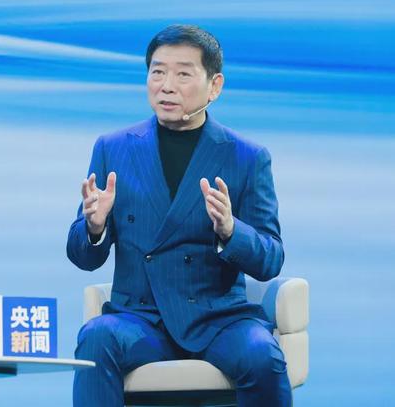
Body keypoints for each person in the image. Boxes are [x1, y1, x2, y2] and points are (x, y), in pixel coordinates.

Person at [66, 24, 291, 407]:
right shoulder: (113, 148)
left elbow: (270, 259)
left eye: (183, 74)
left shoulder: (247, 157)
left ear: (214, 86)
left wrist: (231, 230)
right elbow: (82, 258)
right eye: (158, 72)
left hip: (219, 320)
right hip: (141, 319)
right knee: (97, 337)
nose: (167, 86)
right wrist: (94, 226)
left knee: (261, 354)